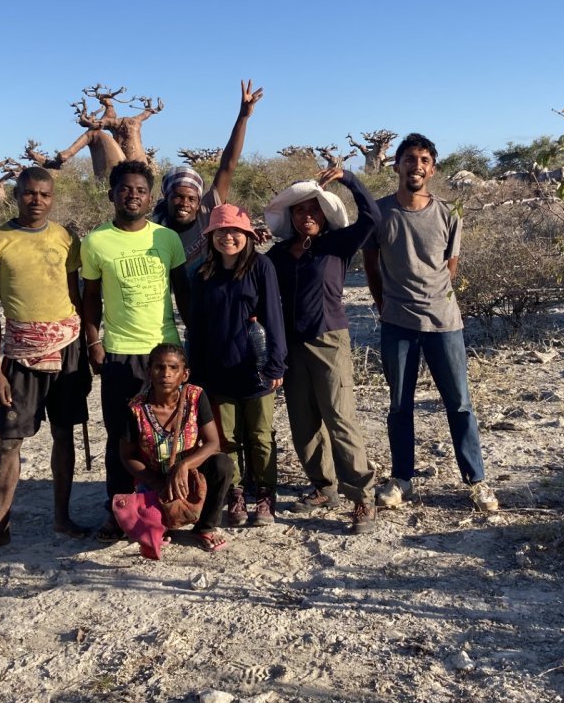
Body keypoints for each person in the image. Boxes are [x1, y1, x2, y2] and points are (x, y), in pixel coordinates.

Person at [362, 134, 498, 513]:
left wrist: (434, 300)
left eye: (424, 160)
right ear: (397, 165)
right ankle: (401, 479)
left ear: (432, 169)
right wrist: (383, 304)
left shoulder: (448, 213)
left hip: (444, 323)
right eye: (409, 158)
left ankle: (476, 480)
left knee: (459, 404)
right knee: (399, 405)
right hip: (397, 322)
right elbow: (371, 265)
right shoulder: (379, 212)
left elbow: (448, 269)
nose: (416, 165)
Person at [0, 166, 92, 560]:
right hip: (20, 351)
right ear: (16, 195)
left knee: (64, 434)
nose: (37, 200)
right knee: (9, 442)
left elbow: (77, 295)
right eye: (29, 193)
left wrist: (90, 345)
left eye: (44, 194)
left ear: (53, 198)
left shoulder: (66, 237)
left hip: (68, 346)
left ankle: (62, 517)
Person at [265, 168, 380, 534]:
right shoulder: (279, 253)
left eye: (313, 209)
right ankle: (324, 486)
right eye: (299, 211)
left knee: (339, 417)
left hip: (329, 339)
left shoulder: (337, 244)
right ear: (291, 216)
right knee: (303, 421)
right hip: (290, 344)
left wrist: (349, 179)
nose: (307, 216)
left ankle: (362, 496)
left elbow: (373, 217)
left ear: (325, 212)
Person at [81, 160, 189, 541]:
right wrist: (93, 341)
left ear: (150, 197)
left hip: (163, 353)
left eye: (141, 190)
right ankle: (119, 507)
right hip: (120, 354)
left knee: (167, 433)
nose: (133, 196)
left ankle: (162, 503)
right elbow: (90, 299)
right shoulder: (96, 242)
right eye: (125, 189)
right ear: (111, 194)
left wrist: (197, 343)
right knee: (121, 435)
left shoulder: (167, 239)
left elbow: (184, 294)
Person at [187, 205, 287, 526]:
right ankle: (236, 494)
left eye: (234, 231)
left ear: (247, 235)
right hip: (217, 371)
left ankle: (266, 495)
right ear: (211, 236)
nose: (228, 237)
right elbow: (197, 328)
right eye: (221, 231)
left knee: (260, 434)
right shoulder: (202, 274)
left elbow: (273, 317)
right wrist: (196, 372)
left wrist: (276, 364)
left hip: (256, 370)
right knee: (226, 438)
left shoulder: (261, 267)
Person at [120, 343, 233, 552]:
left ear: (185, 374)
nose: (166, 374)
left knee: (223, 464)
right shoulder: (135, 408)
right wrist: (157, 483)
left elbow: (212, 443)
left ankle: (205, 527)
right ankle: (157, 522)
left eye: (173, 368)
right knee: (149, 533)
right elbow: (127, 456)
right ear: (148, 372)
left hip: (189, 477)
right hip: (153, 481)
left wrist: (183, 466)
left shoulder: (196, 397)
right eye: (159, 367)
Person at [151, 79, 264, 263]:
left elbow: (228, 166)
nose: (184, 203)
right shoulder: (156, 229)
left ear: (199, 200)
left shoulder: (207, 211)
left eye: (191, 198)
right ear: (166, 196)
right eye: (177, 196)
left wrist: (243, 117)